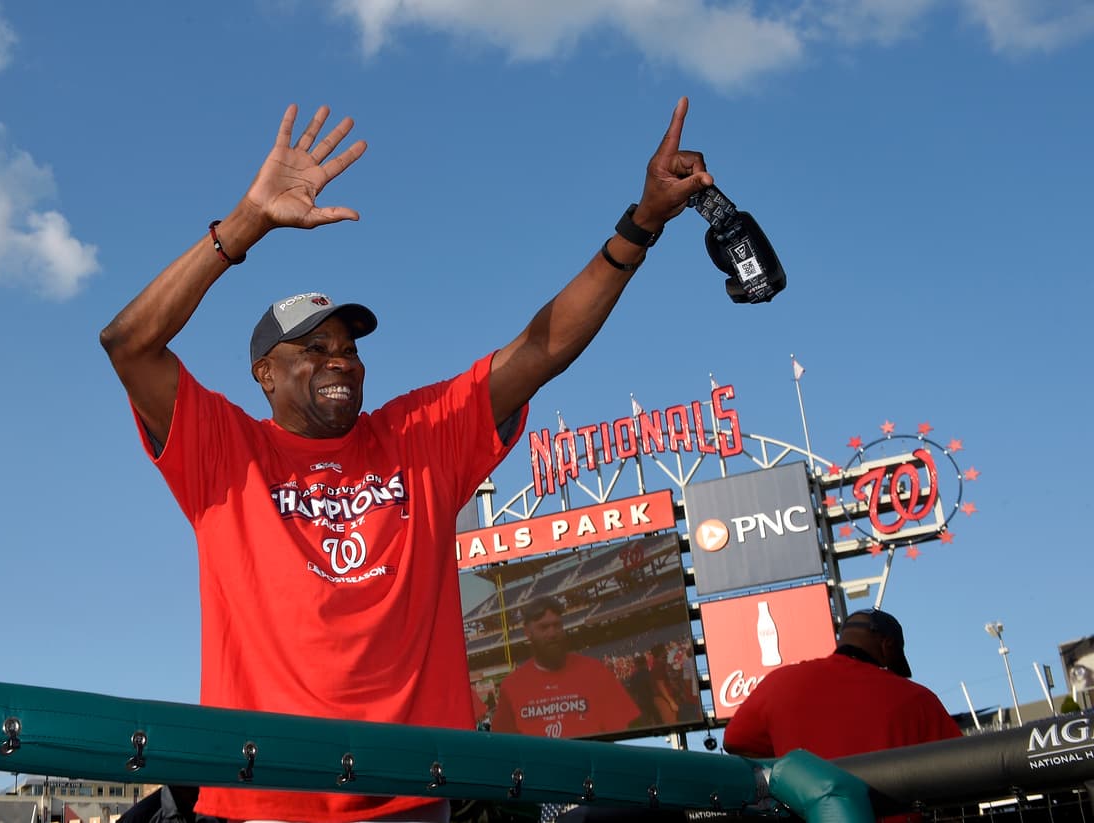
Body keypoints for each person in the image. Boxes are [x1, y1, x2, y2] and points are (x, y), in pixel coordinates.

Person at [100, 98, 714, 823]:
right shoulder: (224, 448)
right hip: (265, 799)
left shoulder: (417, 436)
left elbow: (542, 348)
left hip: (414, 797)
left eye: (350, 348)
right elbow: (128, 342)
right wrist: (246, 224)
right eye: (315, 348)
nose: (341, 362)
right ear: (264, 373)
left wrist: (639, 224)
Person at [723, 608, 962, 760]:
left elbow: (735, 742)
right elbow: (962, 763)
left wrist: (788, 773)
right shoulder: (917, 698)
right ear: (887, 645)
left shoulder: (779, 683)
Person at [491, 596, 640, 737]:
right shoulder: (512, 686)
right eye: (543, 627)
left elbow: (624, 732)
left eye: (557, 625)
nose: (552, 633)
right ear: (528, 633)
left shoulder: (595, 671)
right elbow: (502, 746)